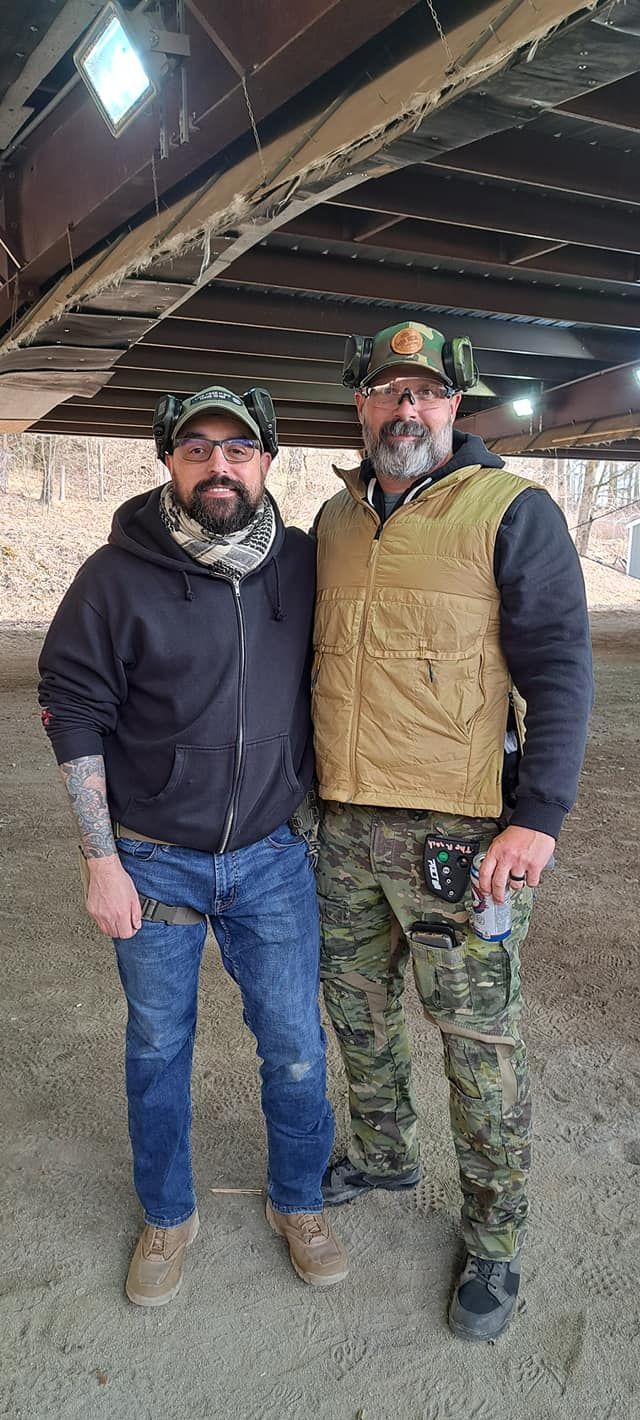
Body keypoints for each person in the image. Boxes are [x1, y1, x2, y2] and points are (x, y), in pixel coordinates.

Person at [312, 322, 593, 1341]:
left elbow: (559, 668)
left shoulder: (510, 511)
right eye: (389, 391)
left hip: (460, 834)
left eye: (426, 392)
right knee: (357, 1011)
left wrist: (538, 818)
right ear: (361, 405)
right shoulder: (334, 519)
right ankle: (383, 1152)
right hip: (341, 825)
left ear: (455, 407)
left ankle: (495, 1235)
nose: (407, 409)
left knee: (478, 1044)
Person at [38, 384, 347, 1306]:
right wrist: (100, 860)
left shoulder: (305, 563)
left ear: (268, 460)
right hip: (151, 858)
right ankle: (169, 1214)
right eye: (198, 448)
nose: (220, 466)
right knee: (156, 1048)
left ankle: (300, 1201)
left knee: (295, 1044)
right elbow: (73, 709)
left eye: (238, 449)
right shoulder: (114, 576)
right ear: (170, 462)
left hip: (271, 857)